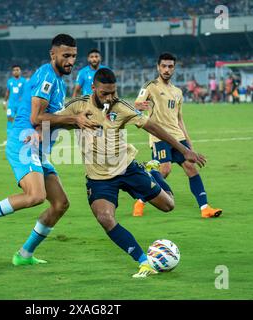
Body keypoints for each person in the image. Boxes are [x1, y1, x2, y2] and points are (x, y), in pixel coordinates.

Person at [0, 34, 98, 266]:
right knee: (36, 195)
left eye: (74, 56)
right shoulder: (46, 76)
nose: (71, 61)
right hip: (24, 141)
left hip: (39, 149)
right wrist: (74, 119)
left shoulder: (58, 81)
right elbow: (37, 117)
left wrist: (82, 123)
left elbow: (54, 120)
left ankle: (24, 255)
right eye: (66, 55)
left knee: (60, 204)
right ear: (52, 54)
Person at [57, 68, 206, 278]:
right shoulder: (78, 105)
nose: (109, 98)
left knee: (168, 206)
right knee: (105, 218)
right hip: (99, 178)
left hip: (127, 168)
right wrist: (66, 123)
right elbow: (51, 119)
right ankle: (143, 262)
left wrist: (184, 150)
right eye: (104, 94)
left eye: (113, 93)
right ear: (94, 89)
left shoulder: (121, 107)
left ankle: (153, 173)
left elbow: (153, 127)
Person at [133, 52, 222, 218]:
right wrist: (139, 105)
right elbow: (137, 103)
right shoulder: (150, 86)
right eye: (164, 66)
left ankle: (205, 208)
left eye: (170, 66)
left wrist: (189, 143)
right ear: (158, 67)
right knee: (164, 170)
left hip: (178, 136)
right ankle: (140, 199)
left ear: (174, 68)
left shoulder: (177, 92)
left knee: (191, 167)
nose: (167, 69)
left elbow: (180, 119)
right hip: (159, 135)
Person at [3, 65, 27, 136]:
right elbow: (7, 92)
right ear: (12, 72)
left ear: (20, 71)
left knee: (21, 121)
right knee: (10, 119)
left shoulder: (23, 81)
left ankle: (22, 136)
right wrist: (4, 102)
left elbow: (26, 92)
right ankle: (9, 137)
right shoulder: (10, 81)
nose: (16, 71)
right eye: (14, 70)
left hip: (21, 105)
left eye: (17, 70)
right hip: (11, 105)